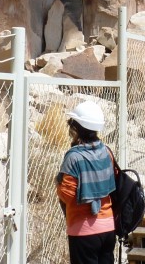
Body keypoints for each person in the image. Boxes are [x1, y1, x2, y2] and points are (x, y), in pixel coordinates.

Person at [56, 101, 116, 264]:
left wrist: (58, 183)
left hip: (83, 230)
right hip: (108, 228)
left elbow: (67, 195)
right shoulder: (106, 151)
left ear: (76, 129)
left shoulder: (73, 157)